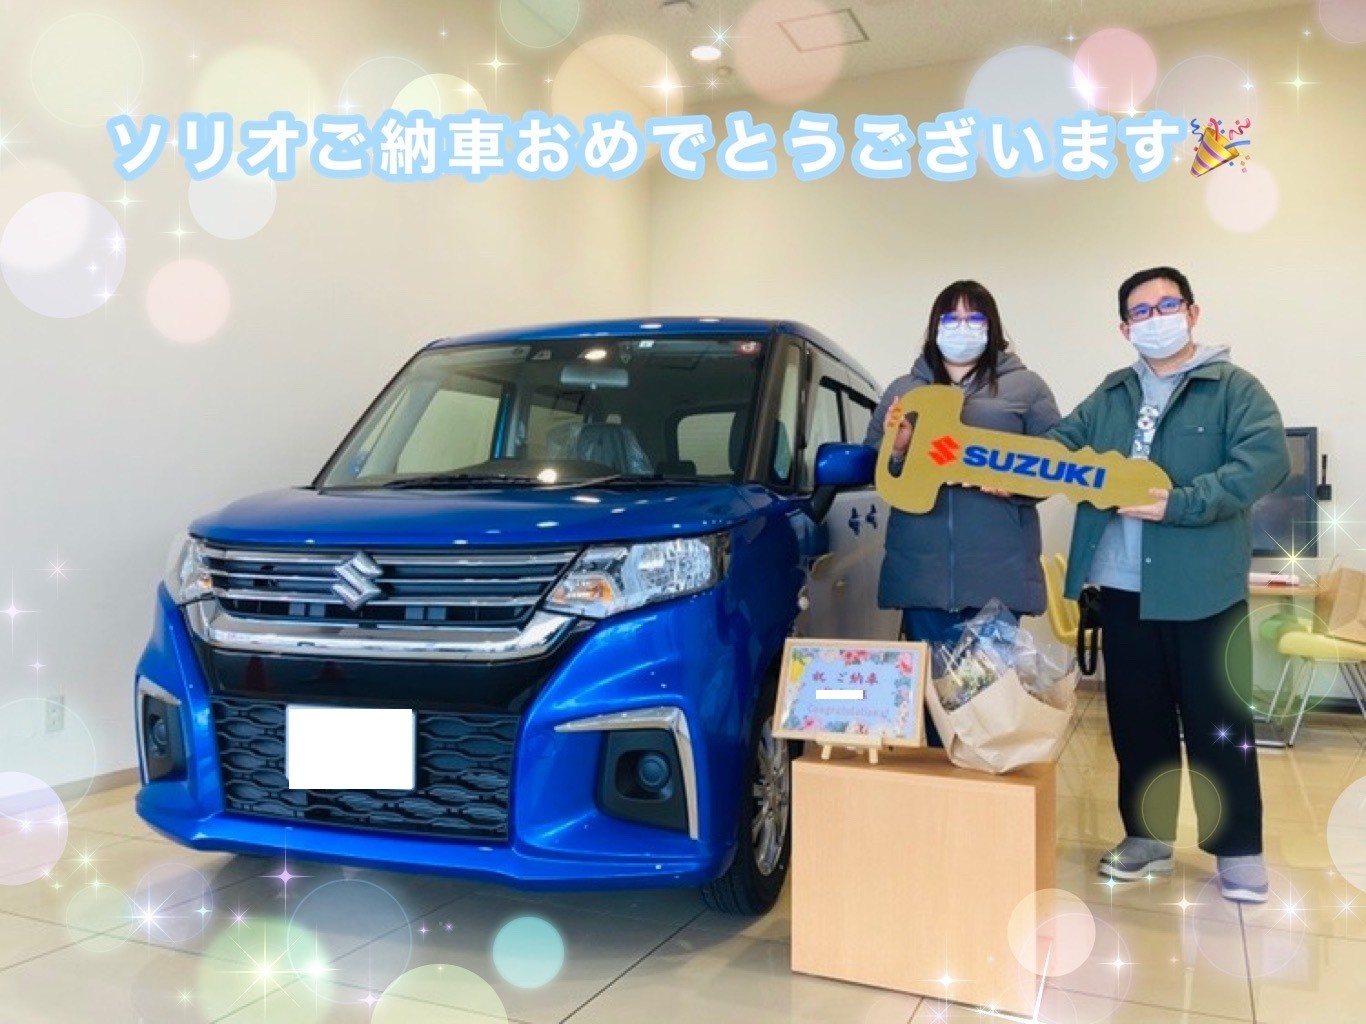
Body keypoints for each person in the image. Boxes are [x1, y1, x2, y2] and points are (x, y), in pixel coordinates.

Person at [1048, 266, 1290, 903]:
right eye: (1141, 311)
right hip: (1121, 588)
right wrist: (985, 460)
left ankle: (1238, 849)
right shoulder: (1112, 394)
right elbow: (1056, 449)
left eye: (1167, 305)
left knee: (1219, 722)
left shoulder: (1233, 388)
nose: (1156, 318)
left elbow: (1264, 460)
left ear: (1192, 312)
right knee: (1138, 721)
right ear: (1125, 328)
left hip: (1203, 586)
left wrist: (1180, 502)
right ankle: (1146, 837)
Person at [864, 280, 1061, 744]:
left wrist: (1014, 485)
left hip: (998, 578)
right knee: (937, 710)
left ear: (992, 327)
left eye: (974, 317)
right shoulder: (904, 391)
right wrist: (899, 447)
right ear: (934, 327)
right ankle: (940, 786)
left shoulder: (1027, 387)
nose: (962, 327)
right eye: (951, 318)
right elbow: (877, 469)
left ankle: (986, 789)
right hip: (922, 577)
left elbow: (1056, 463)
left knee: (986, 708)